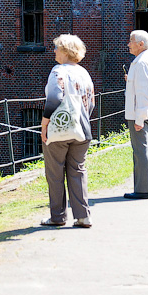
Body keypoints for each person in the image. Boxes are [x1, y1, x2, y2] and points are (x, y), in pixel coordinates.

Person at [40, 34, 96, 228]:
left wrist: (45, 122)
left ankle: (58, 217)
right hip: (82, 129)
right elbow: (91, 102)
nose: (54, 51)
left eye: (56, 47)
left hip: (59, 130)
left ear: (64, 51)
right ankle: (83, 216)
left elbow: (54, 96)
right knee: (78, 171)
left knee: (55, 173)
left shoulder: (58, 71)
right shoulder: (84, 73)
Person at [123, 29, 148, 199]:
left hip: (141, 114)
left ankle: (143, 189)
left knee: (141, 151)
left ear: (141, 44)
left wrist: (139, 118)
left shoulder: (140, 63)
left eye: (131, 41)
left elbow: (144, 93)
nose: (128, 44)